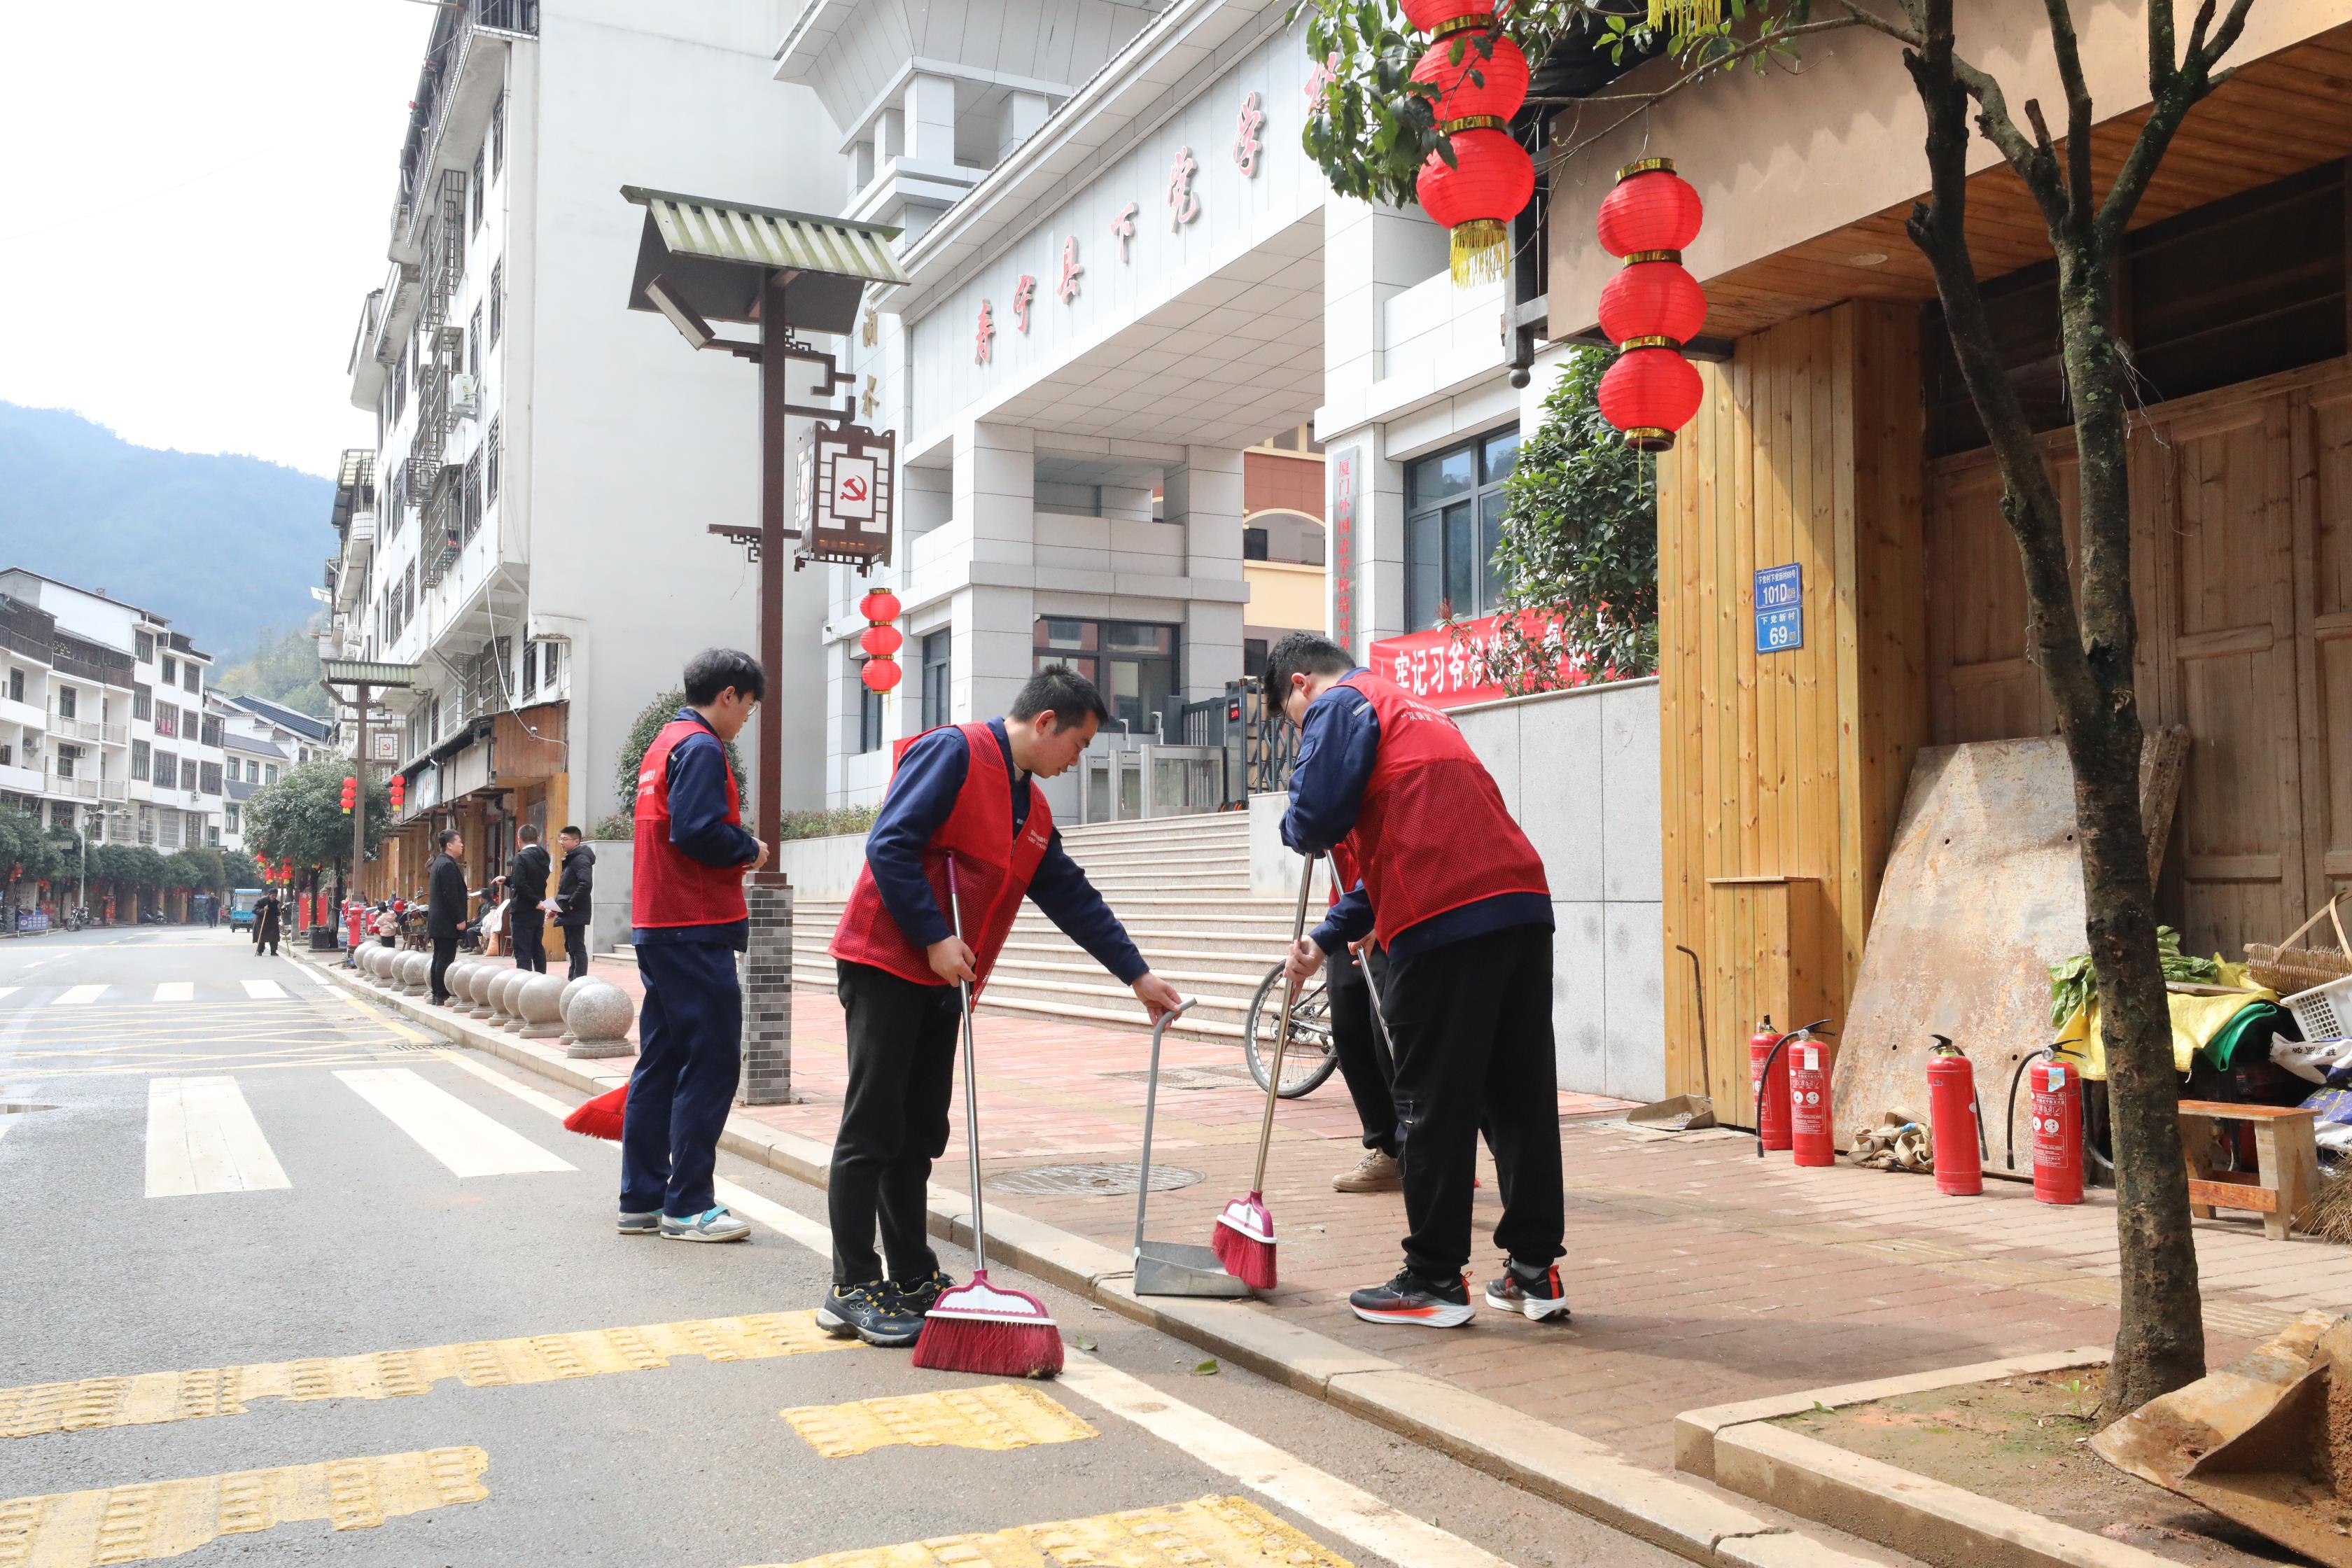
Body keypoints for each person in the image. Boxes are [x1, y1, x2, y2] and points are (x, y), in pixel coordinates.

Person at [820, 664, 1186, 1347]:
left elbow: (1072, 896)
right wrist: (932, 936)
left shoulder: (1034, 810)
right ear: (1046, 722)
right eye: (1077, 745)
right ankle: (851, 1284)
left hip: (945, 981)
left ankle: (910, 1273)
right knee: (873, 1126)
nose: (1075, 761)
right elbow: (890, 844)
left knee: (920, 1130)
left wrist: (1136, 975)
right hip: (887, 963)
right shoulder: (954, 752)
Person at [1268, 631, 1569, 1328]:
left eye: (1294, 720)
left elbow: (1311, 819)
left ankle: (1434, 1277)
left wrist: (1295, 817)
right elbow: (1392, 856)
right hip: (1519, 906)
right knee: (1517, 1097)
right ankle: (1535, 1271)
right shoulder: (1421, 712)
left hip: (1443, 919)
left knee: (1432, 1097)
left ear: (1300, 684)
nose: (1303, 729)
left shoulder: (1341, 701)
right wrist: (1321, 938)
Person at [622, 648, 769, 1244]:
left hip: (659, 923)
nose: (745, 721)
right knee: (710, 1063)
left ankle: (643, 1197)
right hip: (695, 923)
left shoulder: (665, 743)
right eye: (749, 707)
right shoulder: (704, 747)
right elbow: (697, 830)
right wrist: (748, 847)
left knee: (660, 1061)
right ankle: (687, 1205)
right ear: (729, 694)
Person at [1322, 838, 1401, 1194]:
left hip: (1391, 908)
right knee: (1348, 1030)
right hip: (1345, 915)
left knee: (1388, 1031)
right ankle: (1388, 1148)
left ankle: (1424, 1145)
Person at [426, 828, 468, 1004]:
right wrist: (459, 919)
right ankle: (441, 993)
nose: (462, 845)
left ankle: (437, 993)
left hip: (438, 919)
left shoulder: (439, 863)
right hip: (446, 921)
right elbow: (449, 895)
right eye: (459, 841)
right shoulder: (448, 865)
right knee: (445, 957)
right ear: (450, 845)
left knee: (439, 956)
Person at [505, 824, 553, 973]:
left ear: (519, 840)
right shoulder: (544, 856)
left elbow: (520, 883)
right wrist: (507, 879)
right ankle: (541, 979)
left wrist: (534, 900)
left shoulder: (521, 857)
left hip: (523, 909)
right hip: (538, 909)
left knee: (523, 951)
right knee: (536, 947)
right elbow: (529, 879)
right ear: (538, 839)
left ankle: (524, 984)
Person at [554, 825, 595, 980]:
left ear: (576, 841)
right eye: (560, 839)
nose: (561, 842)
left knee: (577, 946)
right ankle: (573, 978)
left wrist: (572, 903)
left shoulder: (581, 859)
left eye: (565, 839)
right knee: (571, 946)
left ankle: (579, 979)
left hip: (575, 909)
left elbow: (585, 884)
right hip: (568, 909)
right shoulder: (572, 858)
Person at [251, 891, 281, 957]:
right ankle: (260, 951)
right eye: (273, 895)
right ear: (269, 895)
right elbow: (254, 910)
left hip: (272, 922)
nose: (274, 897)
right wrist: (263, 910)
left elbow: (278, 913)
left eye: (275, 896)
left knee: (274, 937)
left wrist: (279, 909)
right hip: (261, 921)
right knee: (261, 936)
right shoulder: (262, 901)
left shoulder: (277, 903)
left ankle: (273, 952)